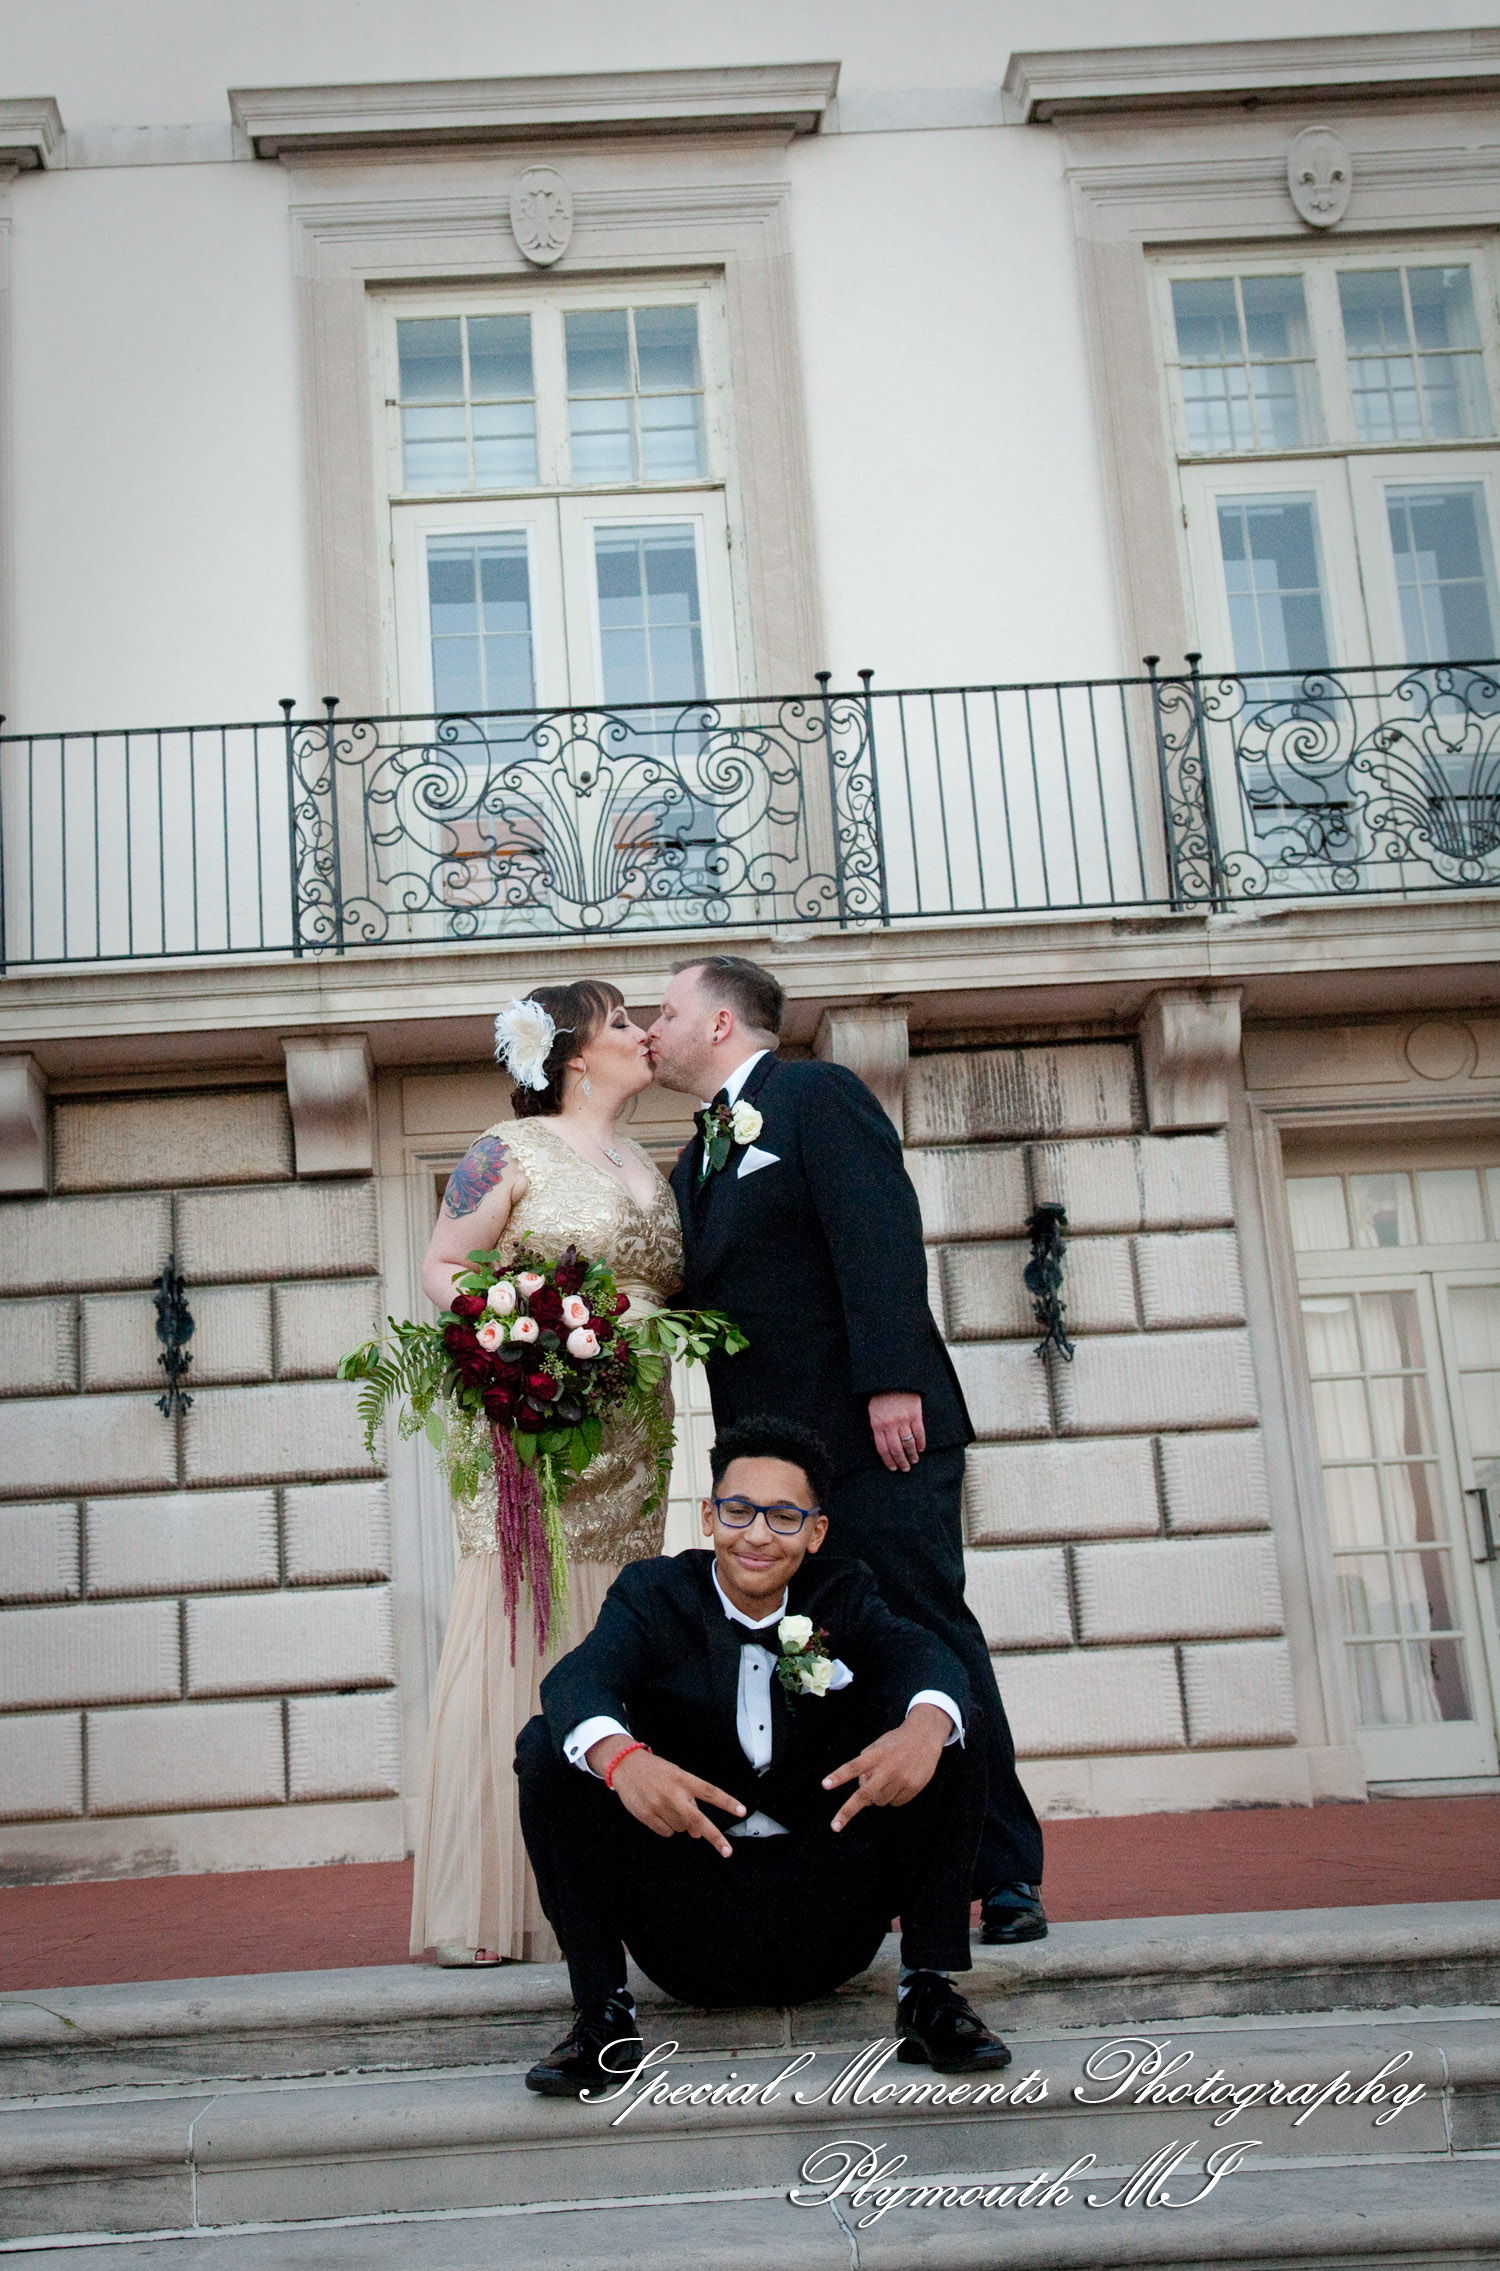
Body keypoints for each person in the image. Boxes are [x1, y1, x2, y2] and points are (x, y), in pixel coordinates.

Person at [647, 955, 1046, 1946]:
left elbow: (877, 1228)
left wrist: (892, 1380)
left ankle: (1004, 1873)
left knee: (928, 1636)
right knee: (823, 1664)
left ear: (722, 1023)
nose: (652, 1030)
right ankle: (889, 1872)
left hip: (876, 1440)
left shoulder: (816, 1094)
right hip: (777, 1479)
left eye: (666, 1012)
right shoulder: (693, 1160)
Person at [517, 1415, 1009, 2095]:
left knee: (949, 1724)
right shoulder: (653, 1594)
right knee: (549, 1748)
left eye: (783, 1516)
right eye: (738, 1511)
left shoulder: (845, 1592)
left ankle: (929, 1991)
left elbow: (924, 1657)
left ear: (816, 1531)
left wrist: (924, 1728)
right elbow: (578, 1678)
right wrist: (624, 1759)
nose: (755, 1534)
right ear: (709, 1516)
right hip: (685, 1911)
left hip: (825, 1906)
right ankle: (603, 2014)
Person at [408, 980, 684, 1967]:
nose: (645, 1035)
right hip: (539, 1427)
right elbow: (445, 1265)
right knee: (521, 1630)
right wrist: (525, 1344)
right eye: (624, 1023)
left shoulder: (646, 1162)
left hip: (635, 1435)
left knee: (617, 1630)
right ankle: (495, 1903)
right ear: (572, 1053)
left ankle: (609, 1894)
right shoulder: (508, 1150)